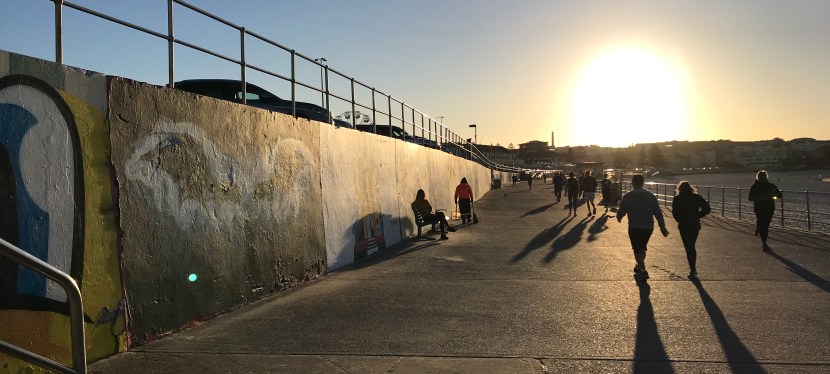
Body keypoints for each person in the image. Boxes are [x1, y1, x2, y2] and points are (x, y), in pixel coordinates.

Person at [617, 175, 669, 281]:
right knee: (642, 247)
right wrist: (662, 226)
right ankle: (639, 266)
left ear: (632, 183)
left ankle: (643, 269)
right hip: (648, 226)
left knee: (637, 249)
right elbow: (658, 212)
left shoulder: (628, 196)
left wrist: (619, 216)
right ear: (643, 183)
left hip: (634, 226)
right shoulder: (650, 195)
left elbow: (623, 209)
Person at [671, 181, 710, 279]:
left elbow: (675, 212)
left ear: (679, 189)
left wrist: (680, 219)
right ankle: (693, 269)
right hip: (694, 225)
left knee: (688, 247)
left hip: (684, 225)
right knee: (691, 246)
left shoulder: (677, 199)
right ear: (690, 188)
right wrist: (698, 216)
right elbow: (707, 208)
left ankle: (693, 269)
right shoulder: (697, 197)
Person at [748, 170, 782, 251]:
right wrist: (761, 198)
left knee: (765, 225)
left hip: (769, 208)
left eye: (764, 177)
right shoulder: (755, 186)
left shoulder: (771, 186)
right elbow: (750, 198)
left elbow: (779, 195)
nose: (762, 179)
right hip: (759, 209)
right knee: (764, 226)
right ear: (758, 178)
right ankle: (764, 243)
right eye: (761, 177)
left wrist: (772, 196)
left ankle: (759, 229)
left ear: (766, 177)